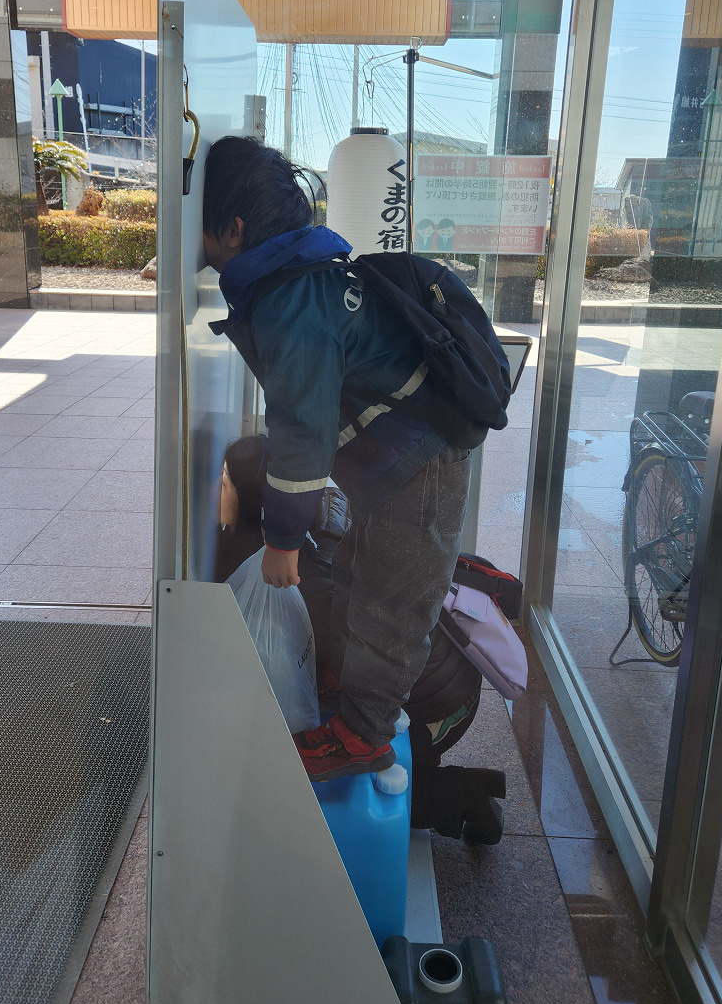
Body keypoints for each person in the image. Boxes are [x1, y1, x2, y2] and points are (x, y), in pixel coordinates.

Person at [203, 135, 479, 783]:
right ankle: (350, 683)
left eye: (201, 228)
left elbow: (301, 431)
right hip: (396, 463)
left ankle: (364, 735)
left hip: (421, 464)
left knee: (392, 603)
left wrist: (282, 542)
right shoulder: (300, 280)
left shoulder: (289, 304)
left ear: (235, 230)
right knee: (360, 571)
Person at [215, 434, 506, 842]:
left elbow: (331, 665)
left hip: (437, 703)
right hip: (441, 670)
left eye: (223, 481)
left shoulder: (292, 579)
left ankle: (468, 797)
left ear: (249, 498)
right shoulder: (320, 511)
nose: (216, 490)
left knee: (370, 779)